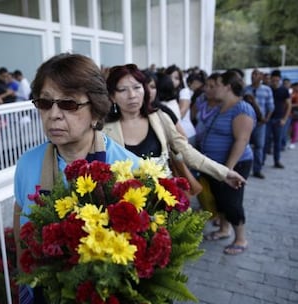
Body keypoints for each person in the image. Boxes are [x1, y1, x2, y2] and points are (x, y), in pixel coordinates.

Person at [13, 53, 140, 304]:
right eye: (45, 103)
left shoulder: (130, 169)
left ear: (95, 109)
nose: (54, 115)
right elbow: (20, 222)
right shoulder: (27, 164)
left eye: (69, 104)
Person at [102, 64, 246, 192]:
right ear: (112, 96)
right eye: (123, 90)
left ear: (144, 90)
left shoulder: (160, 118)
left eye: (137, 87)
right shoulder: (104, 130)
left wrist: (224, 173)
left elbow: (186, 151)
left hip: (162, 199)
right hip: (124, 204)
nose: (132, 95)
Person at [200, 70, 256, 255]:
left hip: (234, 165)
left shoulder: (242, 109)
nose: (213, 89)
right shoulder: (220, 107)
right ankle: (224, 229)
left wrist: (228, 169)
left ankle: (241, 239)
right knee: (220, 199)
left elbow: (242, 140)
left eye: (217, 85)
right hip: (217, 165)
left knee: (232, 202)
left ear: (228, 87)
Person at [244, 69, 274, 179]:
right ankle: (244, 168)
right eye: (252, 74)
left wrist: (267, 118)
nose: (253, 76)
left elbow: (271, 106)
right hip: (246, 122)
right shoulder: (246, 89)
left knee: (259, 146)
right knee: (244, 144)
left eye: (256, 74)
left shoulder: (267, 90)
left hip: (260, 123)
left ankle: (257, 169)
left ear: (261, 77)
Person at [264, 69, 291, 168]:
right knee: (265, 142)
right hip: (268, 119)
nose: (274, 82)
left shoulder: (284, 90)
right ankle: (261, 161)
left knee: (277, 142)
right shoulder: (267, 89)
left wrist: (284, 119)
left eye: (276, 80)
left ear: (279, 79)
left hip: (279, 119)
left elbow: (289, 105)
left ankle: (277, 161)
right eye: (273, 80)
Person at [165, 64, 197, 145]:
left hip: (186, 133)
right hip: (173, 135)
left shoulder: (184, 91)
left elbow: (181, 114)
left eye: (176, 78)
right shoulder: (165, 93)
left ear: (180, 80)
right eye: (169, 77)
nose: (172, 80)